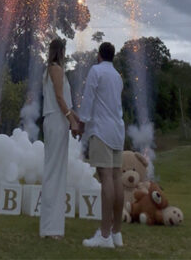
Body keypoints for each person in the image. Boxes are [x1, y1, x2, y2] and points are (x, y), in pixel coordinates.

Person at [75, 41, 125, 249]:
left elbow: (88, 99)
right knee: (116, 177)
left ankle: (104, 236)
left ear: (99, 55)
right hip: (117, 130)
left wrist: (81, 124)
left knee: (106, 178)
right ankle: (116, 232)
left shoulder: (96, 71)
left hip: (102, 130)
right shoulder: (117, 76)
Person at [40, 38, 80, 240]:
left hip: (58, 120)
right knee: (54, 172)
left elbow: (66, 104)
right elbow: (59, 98)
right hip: (56, 120)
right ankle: (50, 228)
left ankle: (52, 226)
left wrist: (77, 119)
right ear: (61, 51)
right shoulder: (55, 69)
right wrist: (71, 120)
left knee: (56, 171)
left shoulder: (52, 70)